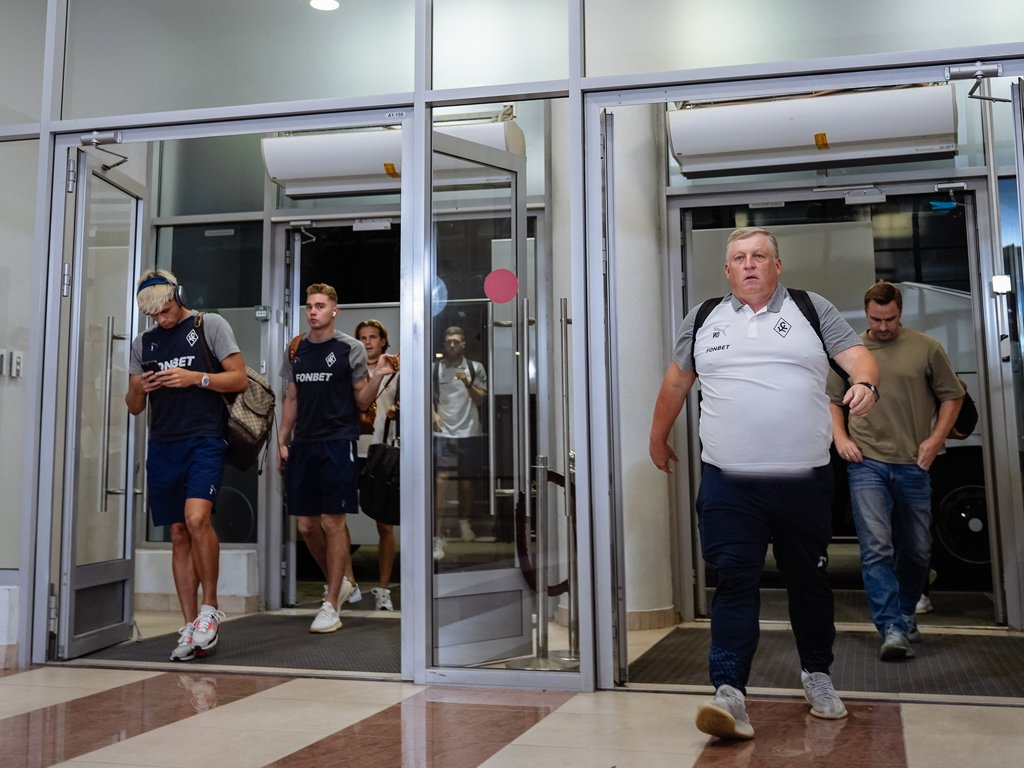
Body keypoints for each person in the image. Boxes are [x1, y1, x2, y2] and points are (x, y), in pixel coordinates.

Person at [649, 227, 879, 740]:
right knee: (734, 580)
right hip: (730, 482)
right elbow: (676, 382)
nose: (749, 264)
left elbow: (857, 357)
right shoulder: (703, 318)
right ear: (727, 269)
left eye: (759, 256)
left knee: (808, 581)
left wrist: (865, 383)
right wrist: (657, 437)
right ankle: (729, 693)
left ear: (777, 265)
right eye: (739, 258)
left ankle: (817, 675)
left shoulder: (810, 308)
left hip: (803, 480)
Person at [828, 281, 963, 661]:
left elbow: (953, 396)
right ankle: (891, 626)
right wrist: (841, 438)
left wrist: (936, 440)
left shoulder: (926, 348)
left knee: (918, 549)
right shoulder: (851, 352)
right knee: (876, 547)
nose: (883, 327)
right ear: (867, 314)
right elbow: (832, 400)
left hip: (914, 462)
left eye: (889, 319)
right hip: (866, 463)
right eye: (876, 319)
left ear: (900, 312)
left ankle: (905, 612)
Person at [125, 270, 248, 661]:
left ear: (178, 297)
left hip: (205, 439)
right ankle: (190, 624)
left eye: (164, 311)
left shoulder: (209, 325)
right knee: (178, 532)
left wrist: (197, 378)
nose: (160, 320)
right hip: (164, 443)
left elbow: (240, 379)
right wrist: (139, 388)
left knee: (197, 520)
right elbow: (133, 406)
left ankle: (210, 610)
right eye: (153, 316)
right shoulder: (143, 343)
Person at [277, 284, 395, 633]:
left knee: (332, 521)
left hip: (338, 441)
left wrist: (379, 375)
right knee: (306, 526)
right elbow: (292, 398)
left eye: (320, 306)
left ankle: (331, 603)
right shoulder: (296, 348)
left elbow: (362, 400)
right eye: (309, 306)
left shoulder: (349, 348)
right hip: (304, 444)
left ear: (334, 310)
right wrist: (281, 439)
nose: (313, 311)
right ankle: (341, 580)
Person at [431, 325, 488, 561]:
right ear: (444, 344)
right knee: (441, 482)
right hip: (443, 433)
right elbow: (426, 395)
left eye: (456, 341)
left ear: (463, 344)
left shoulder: (475, 368)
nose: (452, 345)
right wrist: (433, 414)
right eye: (449, 341)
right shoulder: (435, 368)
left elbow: (481, 399)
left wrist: (467, 383)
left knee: (466, 483)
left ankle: (464, 522)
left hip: (469, 432)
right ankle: (437, 535)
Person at [356, 319, 400, 611]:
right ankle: (345, 583)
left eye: (373, 337)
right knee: (334, 520)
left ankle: (384, 588)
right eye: (363, 337)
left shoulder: (395, 372)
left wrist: (399, 410)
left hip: (380, 450)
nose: (368, 342)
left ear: (383, 341)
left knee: (384, 523)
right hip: (351, 447)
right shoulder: (351, 368)